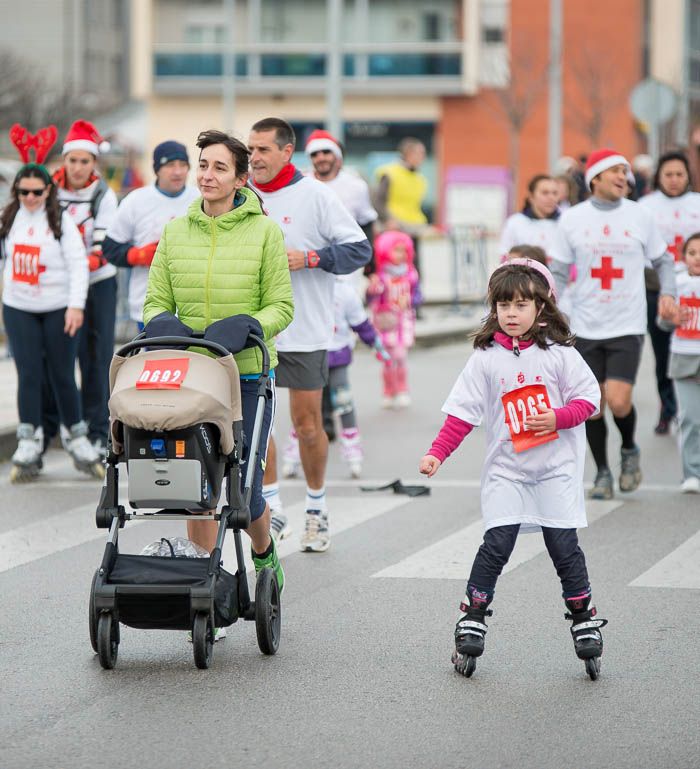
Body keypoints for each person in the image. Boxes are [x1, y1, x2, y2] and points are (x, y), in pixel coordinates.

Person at [419, 260, 605, 677]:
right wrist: (437, 453)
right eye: (504, 305)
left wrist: (557, 417)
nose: (512, 313)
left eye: (522, 304)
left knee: (563, 546)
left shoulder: (560, 354)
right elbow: (462, 415)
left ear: (542, 307)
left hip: (555, 468)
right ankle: (473, 616)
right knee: (497, 543)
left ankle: (583, 618)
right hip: (508, 469)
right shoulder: (485, 358)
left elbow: (589, 401)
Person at [142, 129, 294, 617]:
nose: (207, 175)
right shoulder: (175, 230)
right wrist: (165, 326)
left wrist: (249, 326)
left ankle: (264, 551)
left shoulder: (265, 232)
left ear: (240, 178)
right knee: (197, 485)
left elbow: (281, 307)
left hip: (246, 376)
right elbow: (153, 302)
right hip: (188, 376)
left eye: (219, 168)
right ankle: (206, 586)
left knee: (242, 494)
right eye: (203, 165)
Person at [248, 117, 371, 553]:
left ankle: (316, 509)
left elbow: (359, 249)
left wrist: (312, 257)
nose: (255, 158)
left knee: (306, 424)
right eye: (251, 149)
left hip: (304, 330)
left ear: (286, 152)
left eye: (263, 149)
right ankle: (273, 504)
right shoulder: (241, 194)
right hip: (253, 330)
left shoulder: (316, 196)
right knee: (257, 425)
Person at [550, 148, 675, 499]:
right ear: (595, 178)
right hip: (584, 324)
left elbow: (663, 261)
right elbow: (558, 272)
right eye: (616, 171)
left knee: (619, 402)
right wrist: (551, 311)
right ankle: (603, 472)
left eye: (626, 172)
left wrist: (668, 294)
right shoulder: (572, 219)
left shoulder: (640, 215)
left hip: (627, 323)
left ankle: (629, 449)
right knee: (592, 405)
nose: (625, 177)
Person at [2, 125, 103, 482]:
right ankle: (29, 438)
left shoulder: (62, 223)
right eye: (24, 191)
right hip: (19, 308)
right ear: (17, 192)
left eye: (36, 192)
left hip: (59, 307)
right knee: (28, 373)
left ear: (49, 190)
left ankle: (76, 436)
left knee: (62, 373)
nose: (30, 198)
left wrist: (76, 306)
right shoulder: (10, 219)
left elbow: (79, 266)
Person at [43, 120, 119, 455]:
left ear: (94, 164)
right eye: (72, 160)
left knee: (96, 357)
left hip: (98, 283)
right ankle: (55, 427)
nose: (77, 167)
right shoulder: (48, 191)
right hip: (59, 287)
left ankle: (98, 430)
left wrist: (77, 267)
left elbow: (102, 248)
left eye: (84, 161)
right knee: (57, 357)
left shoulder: (104, 194)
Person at [283, 275, 389, 479]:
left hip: (337, 355)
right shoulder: (303, 287)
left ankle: (352, 450)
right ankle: (293, 453)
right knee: (304, 409)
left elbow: (360, 323)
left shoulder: (344, 291)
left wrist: (375, 343)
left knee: (343, 403)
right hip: (309, 356)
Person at [103, 140, 200, 329]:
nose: (178, 171)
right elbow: (110, 247)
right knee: (155, 358)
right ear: (157, 169)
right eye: (170, 165)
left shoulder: (199, 198)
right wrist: (138, 255)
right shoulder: (137, 201)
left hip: (192, 305)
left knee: (192, 358)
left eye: (183, 165)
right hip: (147, 304)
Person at [639, 151, 700, 434]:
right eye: (668, 174)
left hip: (695, 286)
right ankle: (668, 408)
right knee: (663, 351)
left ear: (687, 176)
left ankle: (691, 407)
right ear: (659, 177)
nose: (674, 180)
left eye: (679, 174)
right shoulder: (646, 206)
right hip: (658, 287)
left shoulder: (697, 203)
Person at [657, 233, 700, 493]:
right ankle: (692, 473)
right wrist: (671, 319)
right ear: (684, 257)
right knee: (691, 418)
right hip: (683, 356)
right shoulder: (677, 284)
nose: (698, 258)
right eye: (693, 253)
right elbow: (662, 322)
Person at [366, 230, 420, 408]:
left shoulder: (411, 275)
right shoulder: (381, 276)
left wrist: (410, 300)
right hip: (385, 322)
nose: (400, 255)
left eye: (403, 251)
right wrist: (373, 290)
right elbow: (370, 300)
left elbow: (419, 296)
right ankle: (388, 391)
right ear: (385, 251)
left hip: (403, 322)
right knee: (388, 358)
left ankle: (402, 389)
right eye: (396, 250)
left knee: (401, 355)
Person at [305, 129, 378, 248]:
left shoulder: (356, 185)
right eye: (314, 154)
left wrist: (369, 259)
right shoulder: (302, 184)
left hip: (346, 257)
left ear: (337, 155)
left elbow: (366, 222)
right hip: (308, 258)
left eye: (326, 152)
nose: (321, 158)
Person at [374, 137, 429, 281]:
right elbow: (378, 201)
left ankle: (412, 300)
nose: (423, 157)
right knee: (392, 272)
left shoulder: (419, 178)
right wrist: (387, 220)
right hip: (393, 230)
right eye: (420, 153)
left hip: (412, 230)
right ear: (408, 154)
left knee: (413, 272)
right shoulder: (389, 173)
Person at [498, 174, 560, 260]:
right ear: (531, 197)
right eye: (545, 193)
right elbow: (504, 256)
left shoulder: (564, 223)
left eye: (555, 193)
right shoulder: (515, 222)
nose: (551, 197)